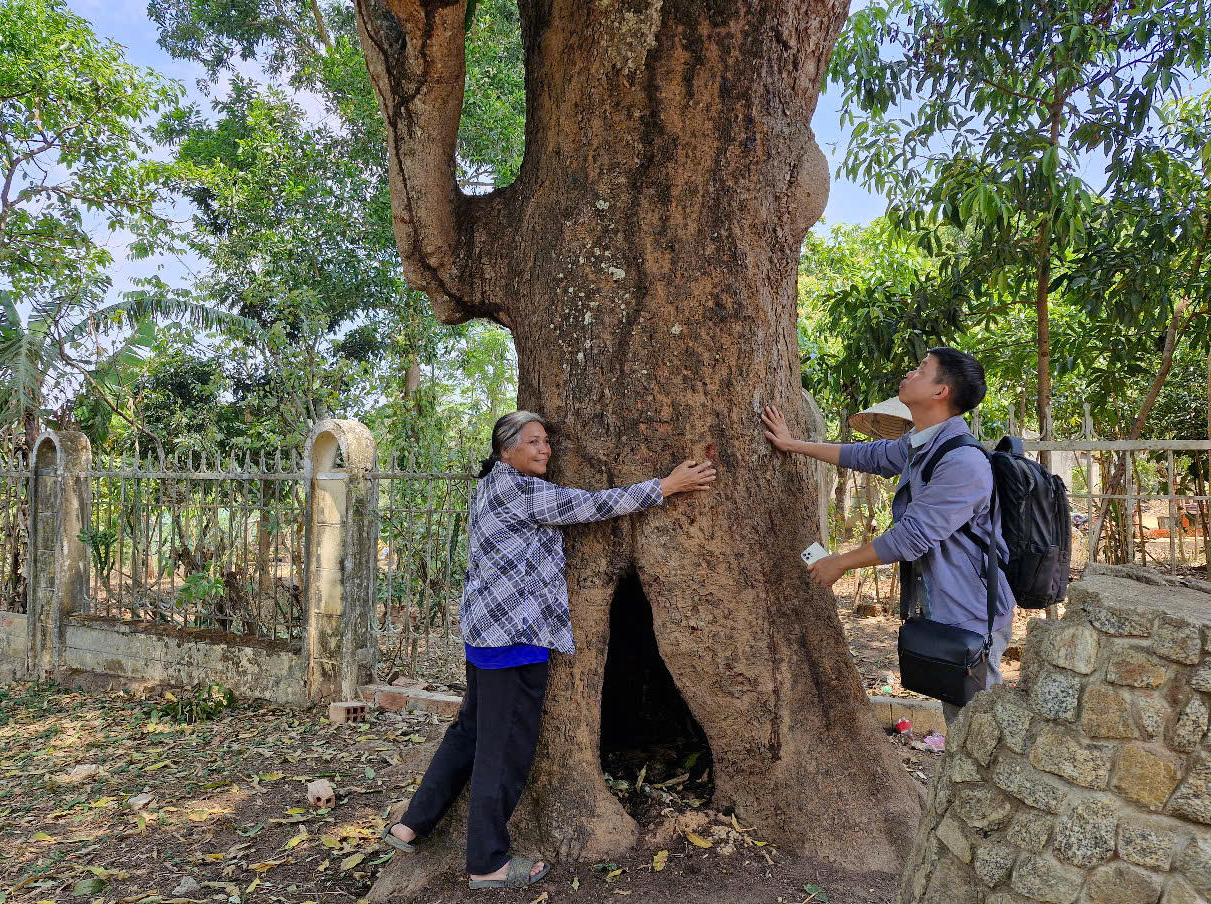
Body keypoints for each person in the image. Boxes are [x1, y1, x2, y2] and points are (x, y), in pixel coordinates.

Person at [382, 411, 716, 888]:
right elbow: (592, 506)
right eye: (533, 442)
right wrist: (666, 485)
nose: (545, 449)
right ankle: (487, 864)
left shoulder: (492, 485)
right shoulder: (521, 491)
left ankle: (411, 823)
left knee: (469, 733)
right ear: (506, 450)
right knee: (504, 752)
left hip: (486, 635)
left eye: (546, 442)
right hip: (514, 641)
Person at [761, 347, 1015, 725]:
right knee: (960, 726)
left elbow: (911, 537)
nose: (909, 374)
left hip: (970, 613)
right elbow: (869, 457)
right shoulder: (924, 443)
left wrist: (839, 563)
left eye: (922, 369)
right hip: (945, 606)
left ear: (940, 392)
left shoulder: (962, 462)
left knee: (975, 728)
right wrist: (792, 444)